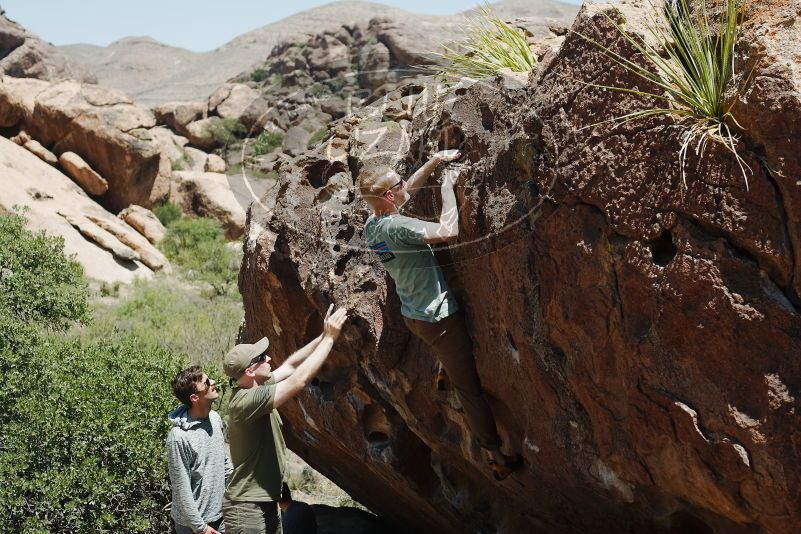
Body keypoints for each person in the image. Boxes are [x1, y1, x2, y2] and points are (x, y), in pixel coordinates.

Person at [358, 150, 523, 481]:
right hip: (440, 320)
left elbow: (405, 195)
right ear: (389, 196)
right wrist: (448, 186)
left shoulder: (373, 226)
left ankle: (443, 367)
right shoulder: (399, 227)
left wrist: (433, 163)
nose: (406, 184)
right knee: (469, 391)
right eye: (399, 183)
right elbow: (448, 230)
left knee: (444, 354)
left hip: (413, 315)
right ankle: (495, 455)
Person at [222, 305, 348, 534]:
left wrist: (322, 336)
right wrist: (330, 339)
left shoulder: (257, 387)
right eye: (261, 357)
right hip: (247, 506)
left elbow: (291, 366)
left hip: (265, 500)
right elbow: (297, 381)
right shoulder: (246, 400)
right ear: (249, 371)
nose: (269, 357)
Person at [167, 366, 233, 534]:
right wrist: (201, 528)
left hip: (220, 516)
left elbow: (222, 461)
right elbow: (181, 488)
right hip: (192, 526)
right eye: (207, 382)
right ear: (195, 397)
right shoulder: (179, 437)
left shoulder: (215, 418)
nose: (214, 382)